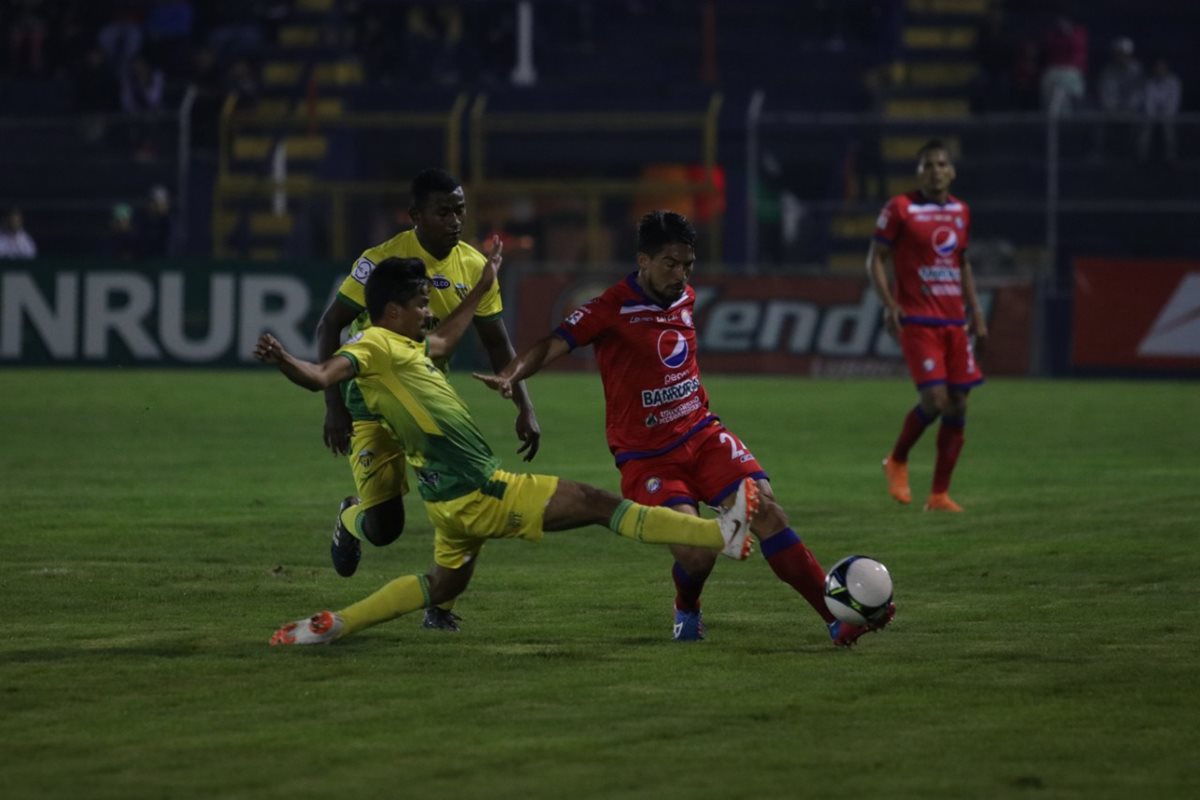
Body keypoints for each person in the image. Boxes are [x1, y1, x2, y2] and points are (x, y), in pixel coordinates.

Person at [258, 252, 757, 646]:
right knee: (597, 503)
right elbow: (323, 374)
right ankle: (721, 532)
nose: (430, 314)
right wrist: (284, 359)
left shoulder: (407, 345)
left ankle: (336, 624)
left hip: (447, 499)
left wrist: (483, 281)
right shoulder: (372, 346)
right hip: (481, 489)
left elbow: (448, 339)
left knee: (443, 586)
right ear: (393, 310)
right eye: (421, 305)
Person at [475, 210, 894, 647]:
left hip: (702, 434)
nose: (680, 274)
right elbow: (552, 343)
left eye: (687, 265)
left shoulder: (684, 297)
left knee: (767, 511)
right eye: (670, 264)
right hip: (647, 457)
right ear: (643, 260)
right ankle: (687, 604)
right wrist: (512, 375)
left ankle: (835, 618)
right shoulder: (610, 307)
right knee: (695, 554)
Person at [313, 167, 540, 633]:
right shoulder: (382, 260)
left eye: (460, 210)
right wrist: (333, 406)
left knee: (460, 496)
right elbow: (329, 324)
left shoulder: (475, 265)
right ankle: (351, 516)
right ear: (416, 215)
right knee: (384, 528)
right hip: (369, 395)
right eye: (443, 212)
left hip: (426, 395)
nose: (455, 220)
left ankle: (439, 605)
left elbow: (498, 343)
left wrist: (524, 405)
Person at [867, 140, 987, 513]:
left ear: (951, 171)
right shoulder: (901, 209)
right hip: (918, 320)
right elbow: (875, 260)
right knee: (935, 400)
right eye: (927, 165)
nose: (935, 170)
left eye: (941, 164)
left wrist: (977, 314)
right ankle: (898, 459)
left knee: (959, 405)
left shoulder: (961, 211)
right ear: (918, 172)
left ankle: (938, 495)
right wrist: (890, 305)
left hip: (954, 321)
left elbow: (961, 264)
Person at [1094, 37, 1144, 159]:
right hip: (1112, 112)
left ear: (1130, 55)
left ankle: (1138, 157)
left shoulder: (1137, 70)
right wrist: (1114, 111)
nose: (1121, 57)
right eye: (1118, 54)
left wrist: (1128, 110)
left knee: (1142, 122)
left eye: (1124, 54)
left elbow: (1139, 94)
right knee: (1096, 120)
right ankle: (1099, 154)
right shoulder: (1108, 71)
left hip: (1132, 112)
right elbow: (1106, 94)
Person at [1138, 57, 1182, 163]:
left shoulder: (1174, 81)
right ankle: (1142, 157)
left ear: (1166, 68)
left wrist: (1165, 113)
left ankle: (1171, 158)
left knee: (1169, 132)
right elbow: (1148, 101)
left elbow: (1174, 101)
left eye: (1162, 67)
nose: (1159, 70)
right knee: (1145, 131)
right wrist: (1153, 113)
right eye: (1157, 67)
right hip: (1151, 116)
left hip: (1168, 116)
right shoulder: (1149, 82)